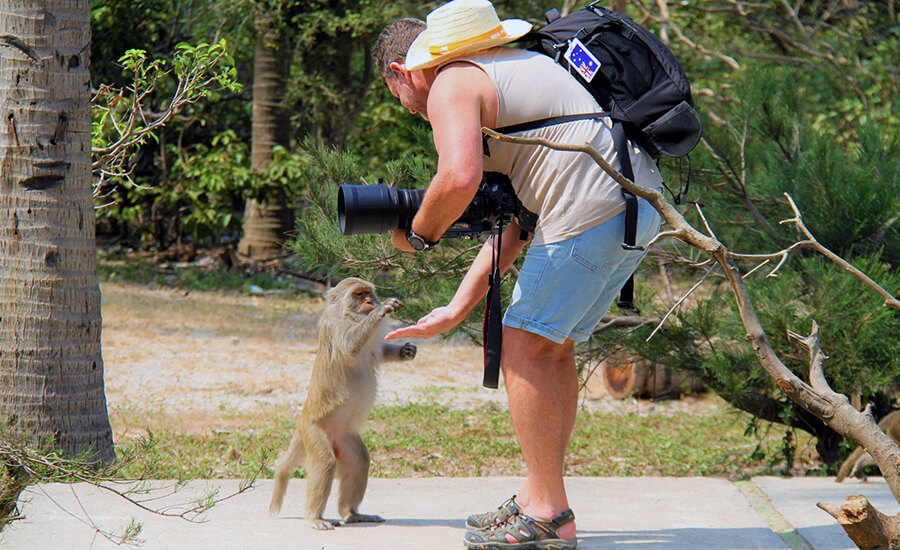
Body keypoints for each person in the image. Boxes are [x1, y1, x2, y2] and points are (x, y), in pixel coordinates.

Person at [374, 1, 663, 548]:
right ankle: (539, 497)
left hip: (592, 208)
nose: (410, 108)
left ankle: (548, 515)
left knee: (527, 347)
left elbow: (457, 178)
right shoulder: (516, 71)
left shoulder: (452, 82)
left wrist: (418, 233)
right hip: (635, 209)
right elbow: (518, 224)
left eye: (399, 96)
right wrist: (457, 308)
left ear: (403, 72)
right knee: (548, 348)